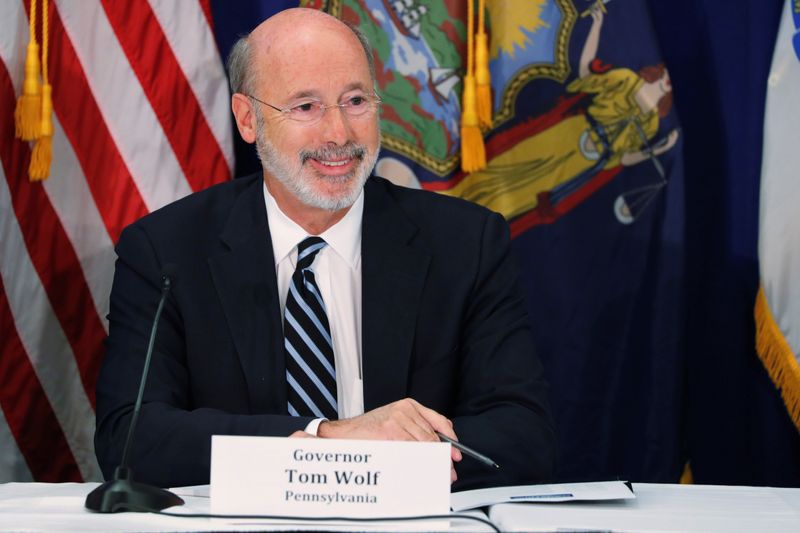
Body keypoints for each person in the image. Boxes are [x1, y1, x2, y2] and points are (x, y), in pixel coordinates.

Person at [94, 7, 555, 491]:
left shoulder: (466, 243)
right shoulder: (166, 251)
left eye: (355, 100)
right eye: (306, 107)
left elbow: (524, 436)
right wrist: (327, 439)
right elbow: (130, 439)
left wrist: (382, 466)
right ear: (248, 119)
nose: (338, 135)